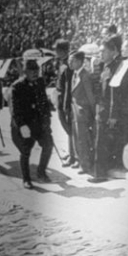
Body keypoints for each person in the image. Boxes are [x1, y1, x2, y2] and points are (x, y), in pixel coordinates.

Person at [9, 59, 54, 189]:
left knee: (48, 145)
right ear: (25, 72)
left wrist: (47, 121)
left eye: (36, 71)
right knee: (26, 151)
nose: (35, 73)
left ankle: (41, 171)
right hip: (25, 125)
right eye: (31, 71)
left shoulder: (40, 82)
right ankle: (26, 179)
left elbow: (44, 103)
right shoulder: (17, 86)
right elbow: (15, 109)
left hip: (40, 124)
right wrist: (22, 125)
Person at [92, 35, 123, 182]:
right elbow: (100, 92)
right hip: (102, 110)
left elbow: (114, 95)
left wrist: (112, 115)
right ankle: (99, 172)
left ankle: (100, 174)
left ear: (113, 52)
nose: (101, 54)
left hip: (108, 112)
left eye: (104, 51)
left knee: (102, 143)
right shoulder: (104, 67)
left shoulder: (115, 68)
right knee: (100, 142)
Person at [69, 51, 96, 175]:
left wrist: (93, 112)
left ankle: (85, 165)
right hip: (75, 111)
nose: (70, 63)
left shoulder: (85, 76)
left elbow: (90, 96)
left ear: (80, 62)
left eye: (73, 60)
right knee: (76, 137)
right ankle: (79, 161)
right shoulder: (75, 74)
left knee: (83, 140)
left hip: (83, 111)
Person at [55, 39, 79, 168]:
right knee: (68, 129)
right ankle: (71, 153)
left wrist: (65, 105)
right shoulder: (62, 63)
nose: (55, 52)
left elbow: (67, 87)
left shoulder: (67, 65)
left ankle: (73, 156)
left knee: (69, 129)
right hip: (61, 99)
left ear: (62, 51)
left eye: (57, 50)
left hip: (65, 101)